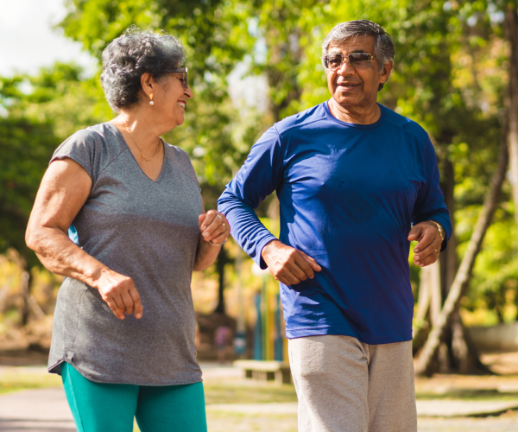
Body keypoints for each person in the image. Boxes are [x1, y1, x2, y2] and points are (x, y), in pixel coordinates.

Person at [218, 20, 450, 432]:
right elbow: (233, 200)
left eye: (359, 58)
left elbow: (432, 208)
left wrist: (436, 229)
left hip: (392, 318)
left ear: (385, 71)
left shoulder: (412, 138)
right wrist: (268, 248)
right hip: (319, 312)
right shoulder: (289, 136)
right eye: (334, 60)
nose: (343, 69)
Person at [25, 28, 230, 432]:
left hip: (172, 355)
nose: (189, 93)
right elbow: (41, 233)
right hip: (100, 349)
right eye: (182, 79)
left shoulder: (183, 164)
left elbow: (195, 263)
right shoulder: (89, 148)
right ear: (149, 82)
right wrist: (100, 275)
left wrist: (212, 238)